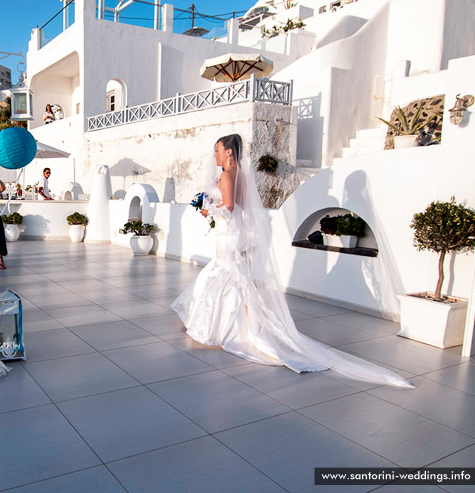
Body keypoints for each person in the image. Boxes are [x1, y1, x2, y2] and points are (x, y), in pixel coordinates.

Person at [171, 134, 413, 388]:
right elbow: (240, 208)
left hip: (227, 233)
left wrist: (206, 209)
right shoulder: (241, 174)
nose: (215, 155)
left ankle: (227, 328)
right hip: (234, 234)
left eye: (217, 149)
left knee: (225, 273)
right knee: (230, 275)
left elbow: (229, 209)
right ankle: (234, 323)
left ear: (229, 152)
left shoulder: (227, 175)